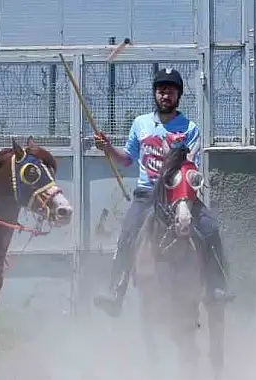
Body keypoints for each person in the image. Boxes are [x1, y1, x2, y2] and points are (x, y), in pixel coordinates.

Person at [91, 67, 232, 317]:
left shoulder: (189, 128)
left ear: (178, 96)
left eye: (171, 91)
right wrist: (108, 149)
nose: (165, 95)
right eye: (161, 90)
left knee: (210, 227)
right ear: (155, 94)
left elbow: (191, 166)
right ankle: (116, 291)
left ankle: (216, 287)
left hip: (180, 193)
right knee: (127, 232)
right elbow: (126, 159)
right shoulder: (140, 123)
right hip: (147, 194)